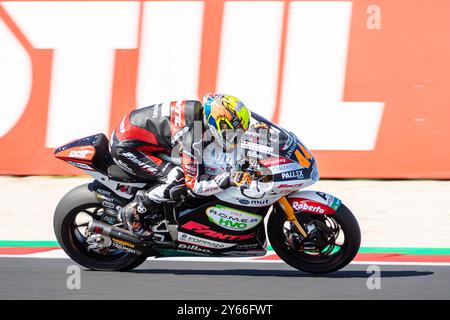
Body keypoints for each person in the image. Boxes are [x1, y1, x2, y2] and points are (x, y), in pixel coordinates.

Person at [110, 93, 253, 235]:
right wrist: (229, 179)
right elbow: (195, 185)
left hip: (138, 134)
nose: (235, 136)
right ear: (218, 122)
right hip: (126, 148)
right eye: (232, 131)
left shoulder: (200, 113)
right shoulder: (190, 136)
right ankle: (135, 210)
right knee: (177, 179)